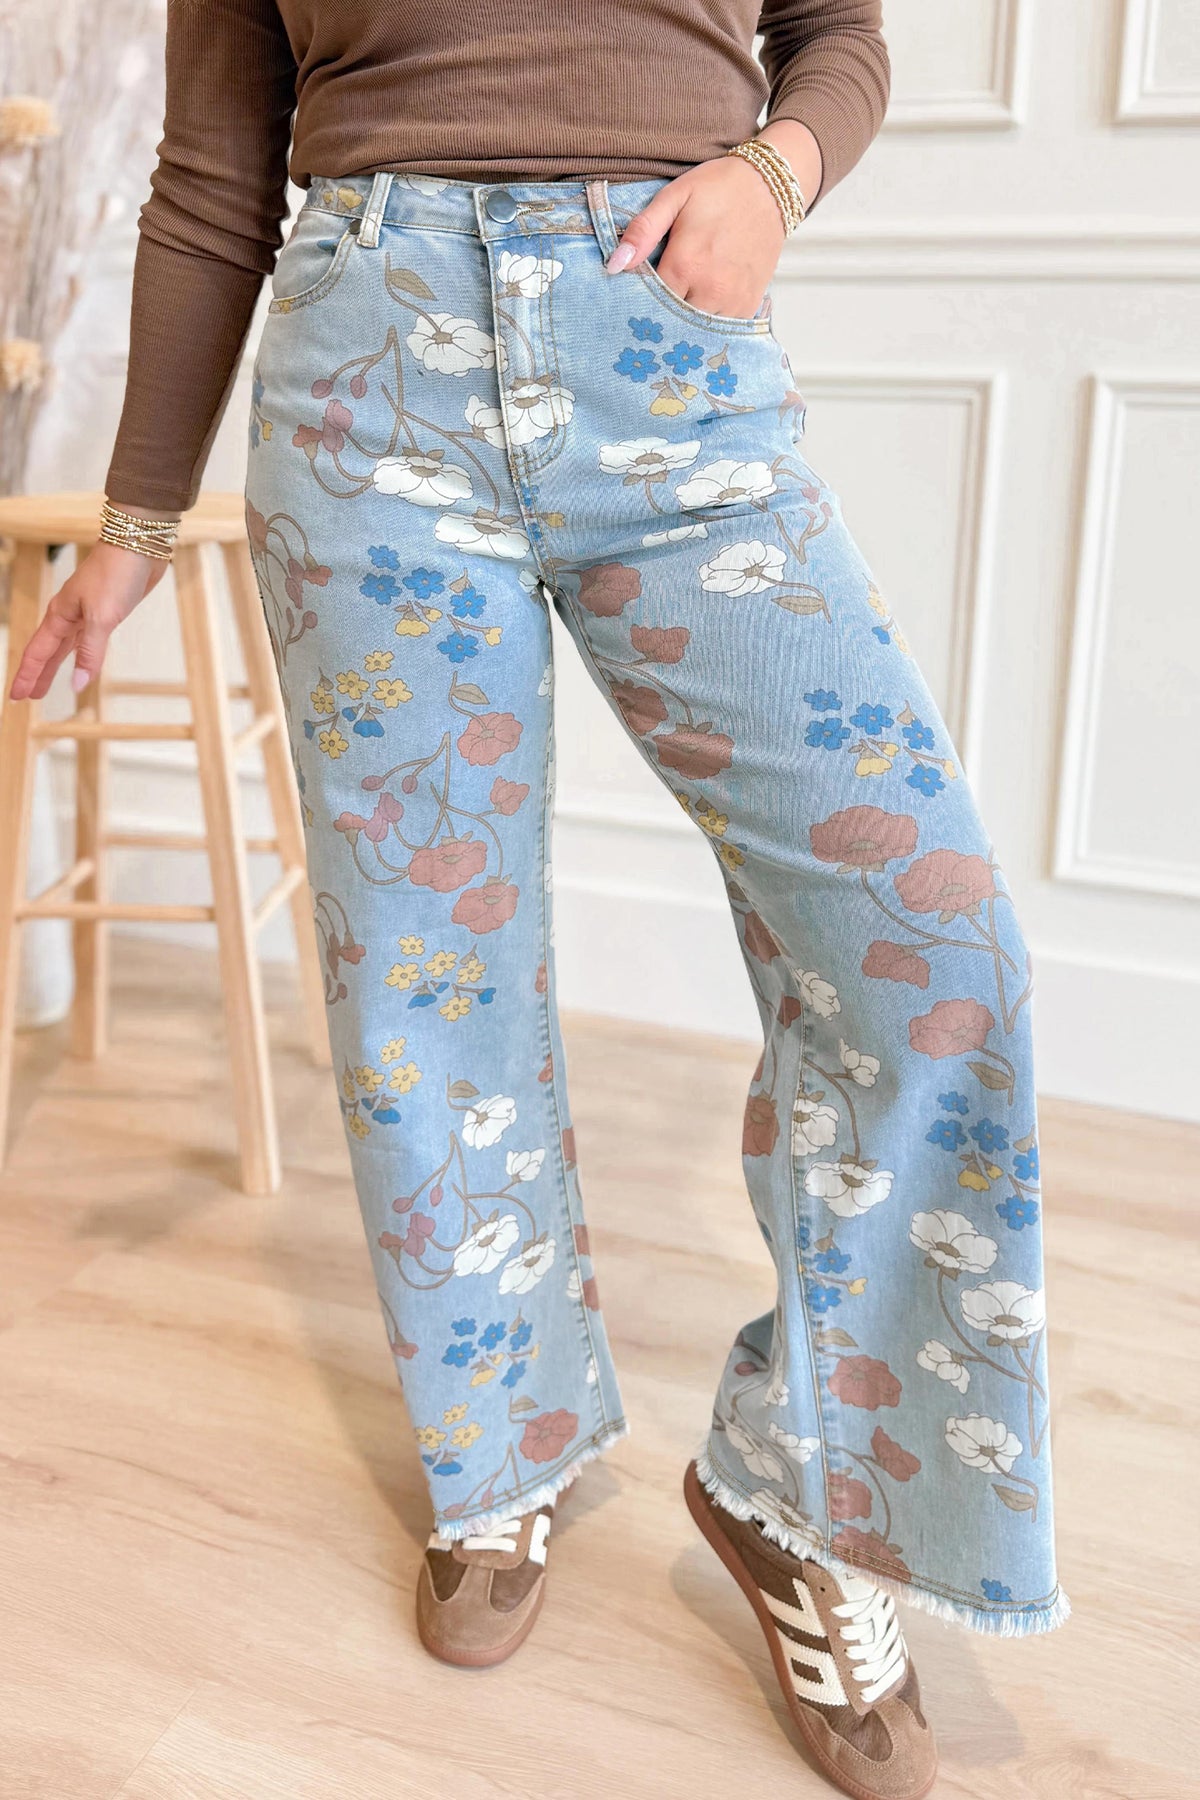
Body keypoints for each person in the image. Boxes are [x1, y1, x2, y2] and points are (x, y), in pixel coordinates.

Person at [9, 4, 1068, 1794]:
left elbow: (835, 35)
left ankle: (808, 1493)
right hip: (367, 380)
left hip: (667, 350)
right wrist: (133, 520)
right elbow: (213, 175)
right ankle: (497, 1448)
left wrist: (776, 172)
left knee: (930, 942)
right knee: (425, 971)